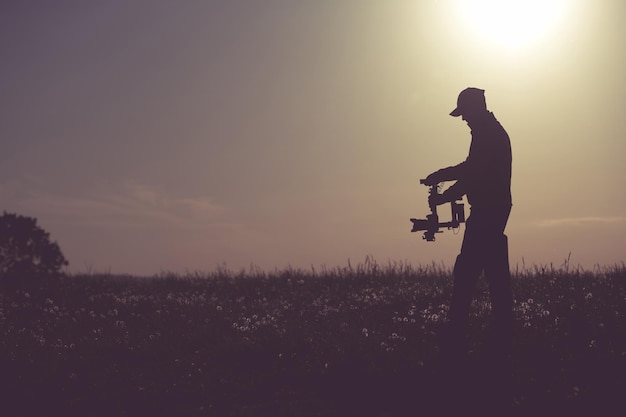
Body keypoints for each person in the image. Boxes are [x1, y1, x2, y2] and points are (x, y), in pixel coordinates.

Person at [422, 87, 513, 360]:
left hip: (489, 211)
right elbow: (471, 167)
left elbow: (474, 175)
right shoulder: (488, 132)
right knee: (494, 273)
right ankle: (501, 333)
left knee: (466, 271)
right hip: (491, 209)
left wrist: (445, 195)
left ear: (476, 108)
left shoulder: (488, 134)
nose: (463, 119)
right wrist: (443, 174)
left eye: (464, 113)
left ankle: (457, 333)